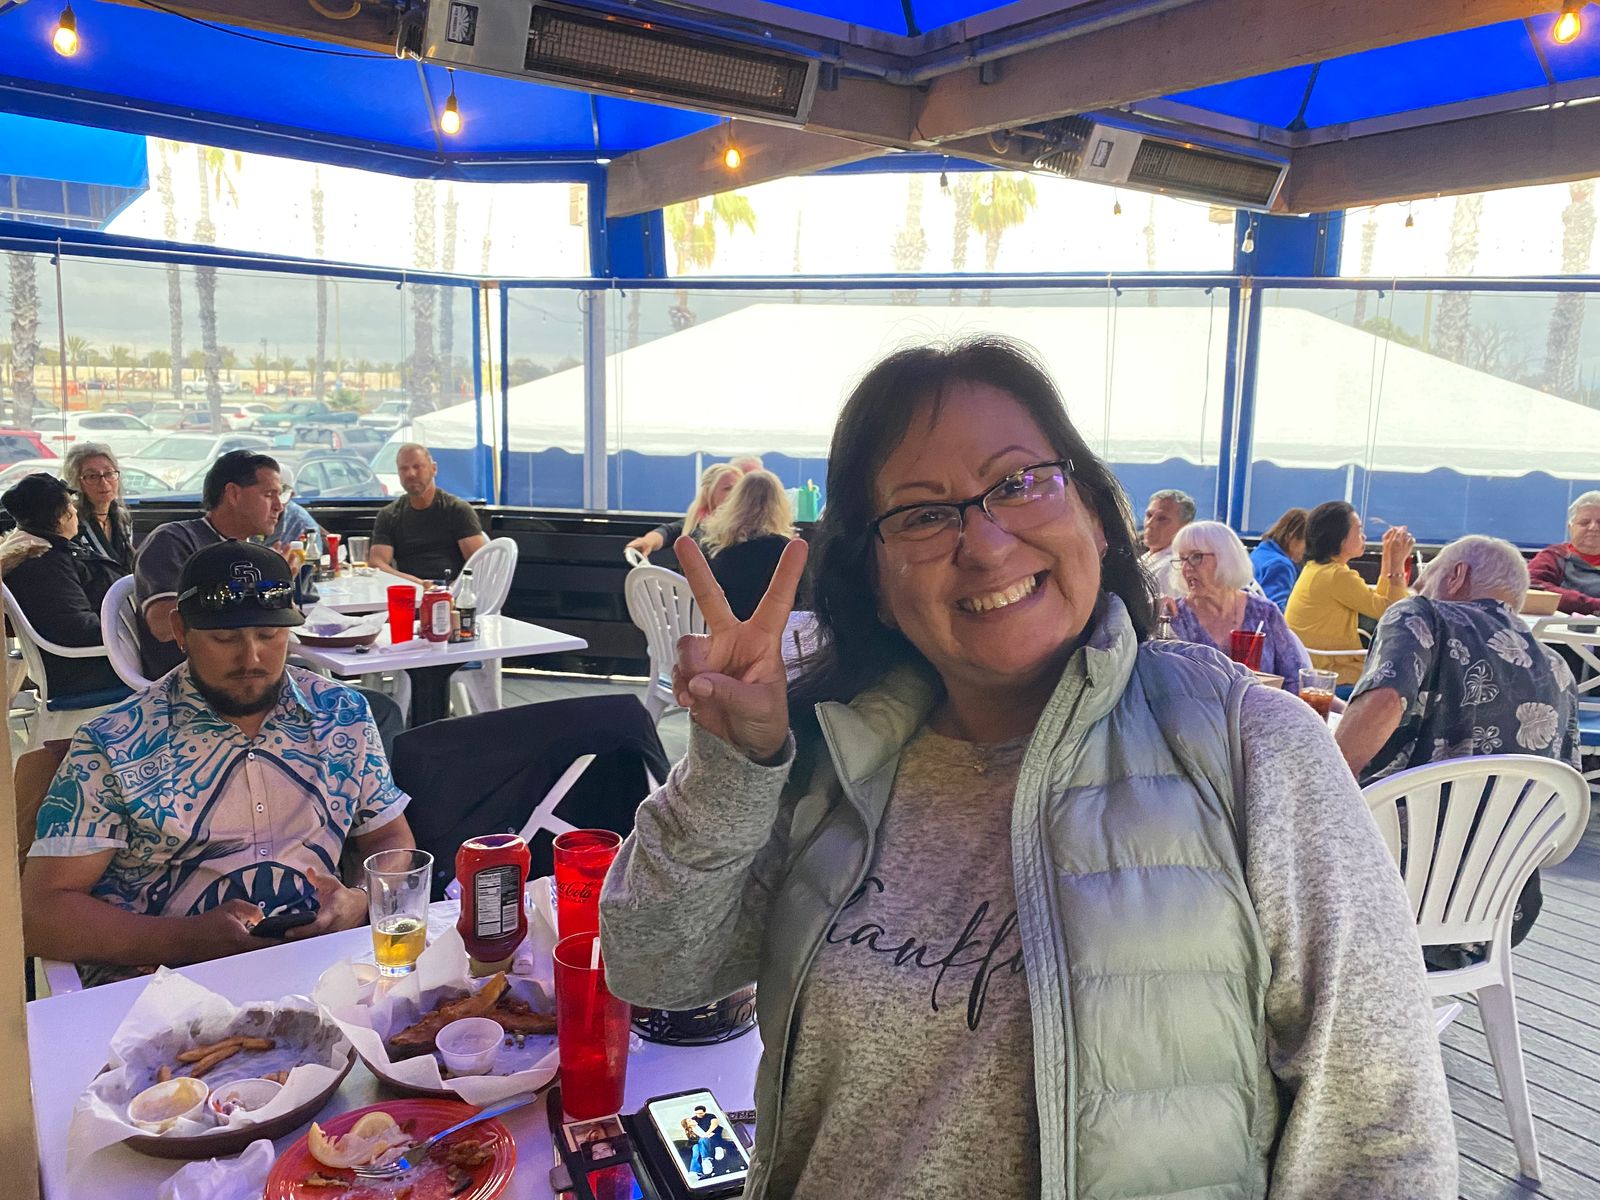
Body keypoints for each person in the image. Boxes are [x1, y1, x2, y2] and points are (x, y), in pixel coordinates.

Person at [600, 337, 1454, 1200]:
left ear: (1093, 512)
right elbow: (652, 967)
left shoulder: (1251, 749)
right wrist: (732, 764)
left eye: (1016, 483)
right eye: (923, 514)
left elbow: (1380, 1136)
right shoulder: (829, 757)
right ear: (877, 584)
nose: (984, 543)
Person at [22, 541, 416, 988]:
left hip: (323, 970)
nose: (251, 658)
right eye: (224, 639)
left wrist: (360, 900)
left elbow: (389, 837)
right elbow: (41, 913)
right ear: (180, 630)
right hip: (163, 986)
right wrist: (186, 940)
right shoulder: (115, 743)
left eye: (270, 635)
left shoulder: (341, 715)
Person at [1336, 534, 1578, 953]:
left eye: (1424, 579)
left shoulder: (1423, 616)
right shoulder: (1559, 670)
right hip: (1487, 910)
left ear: (1457, 576)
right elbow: (1559, 802)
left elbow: (1386, 701)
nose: (1418, 589)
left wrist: (1318, 784)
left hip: (1381, 883)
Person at [134, 449, 286, 680]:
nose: (279, 506)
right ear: (233, 494)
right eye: (268, 495)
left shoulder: (254, 554)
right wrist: (256, 591)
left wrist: (278, 587)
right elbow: (162, 624)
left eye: (280, 496)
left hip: (255, 670)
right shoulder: (173, 540)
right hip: (193, 680)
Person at [1, 472, 128, 696]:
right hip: (92, 670)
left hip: (94, 660)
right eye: (70, 504)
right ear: (61, 517)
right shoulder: (42, 564)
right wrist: (139, 632)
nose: (76, 511)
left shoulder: (38, 550)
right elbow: (77, 628)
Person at [1285, 501, 1413, 692]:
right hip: (1329, 673)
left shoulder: (1321, 569)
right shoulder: (1336, 576)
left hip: (1313, 664)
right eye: (1358, 530)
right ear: (1339, 538)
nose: (1364, 536)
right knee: (1402, 673)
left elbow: (1380, 603)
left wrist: (1388, 557)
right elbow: (1393, 612)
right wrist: (1397, 563)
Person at [1169, 521, 1311, 692]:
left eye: (1196, 557)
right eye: (1182, 559)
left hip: (1264, 706)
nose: (1186, 568)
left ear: (1226, 559)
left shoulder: (1264, 613)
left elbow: (1295, 679)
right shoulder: (1173, 617)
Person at [369, 444, 487, 584]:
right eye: (404, 469)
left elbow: (481, 564)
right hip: (408, 590)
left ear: (434, 468)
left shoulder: (457, 510)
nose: (411, 474)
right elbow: (377, 563)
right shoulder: (388, 515)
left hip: (452, 589)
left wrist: (452, 589)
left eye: (417, 467)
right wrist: (416, 583)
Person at [700, 470, 797, 622]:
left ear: (735, 501)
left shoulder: (712, 545)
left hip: (717, 630)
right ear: (779, 505)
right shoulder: (783, 550)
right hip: (769, 632)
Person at [625, 463, 741, 561]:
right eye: (727, 488)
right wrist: (647, 542)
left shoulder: (745, 527)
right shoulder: (695, 524)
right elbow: (668, 531)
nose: (734, 494)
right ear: (707, 492)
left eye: (739, 489)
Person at [63, 442, 135, 572]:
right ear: (77, 482)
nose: (104, 482)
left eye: (109, 473)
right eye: (92, 476)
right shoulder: (70, 521)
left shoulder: (122, 517)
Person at [1528, 490, 1600, 615]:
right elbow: (1532, 585)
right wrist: (1593, 605)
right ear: (1570, 528)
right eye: (1584, 522)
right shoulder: (1554, 556)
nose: (1593, 527)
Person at [1139, 488, 1193, 599]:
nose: (1150, 524)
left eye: (1162, 519)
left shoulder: (1174, 568)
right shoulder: (1145, 558)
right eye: (1149, 515)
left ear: (1185, 527)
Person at [1251, 507, 1307, 610]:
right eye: (1306, 543)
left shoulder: (1260, 552)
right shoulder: (1281, 565)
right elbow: (1276, 610)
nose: (1306, 551)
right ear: (1292, 537)